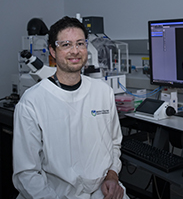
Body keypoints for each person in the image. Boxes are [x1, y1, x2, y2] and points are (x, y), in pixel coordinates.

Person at [12, 16, 129, 199]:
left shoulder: (103, 92)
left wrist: (112, 175)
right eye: (66, 44)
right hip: (54, 194)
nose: (75, 51)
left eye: (80, 43)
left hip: (102, 190)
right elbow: (26, 173)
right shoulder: (32, 102)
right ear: (52, 50)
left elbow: (114, 143)